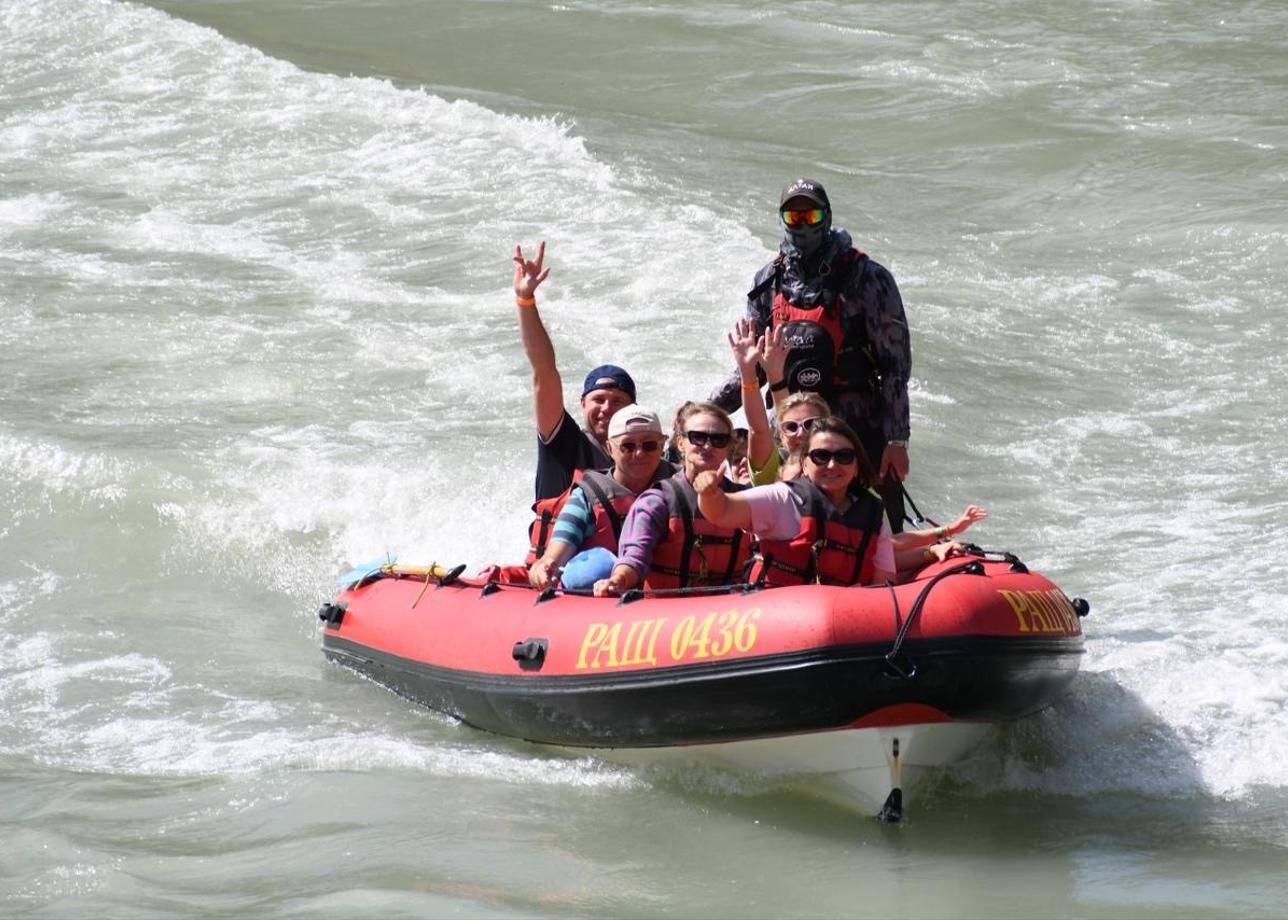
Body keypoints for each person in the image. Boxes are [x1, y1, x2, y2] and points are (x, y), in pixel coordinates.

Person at [711, 178, 912, 531]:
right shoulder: (768, 281)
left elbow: (895, 366)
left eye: (811, 214)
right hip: (793, 429)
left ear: (828, 217)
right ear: (782, 219)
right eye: (794, 216)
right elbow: (753, 365)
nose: (802, 224)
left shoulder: (867, 278)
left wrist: (896, 439)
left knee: (878, 523)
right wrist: (708, 414)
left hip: (858, 429)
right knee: (796, 522)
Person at [514, 242, 670, 563]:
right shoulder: (564, 444)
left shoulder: (648, 453)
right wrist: (525, 300)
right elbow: (544, 371)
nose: (607, 407)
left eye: (618, 401)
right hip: (563, 573)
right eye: (598, 400)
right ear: (582, 404)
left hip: (633, 577)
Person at [694, 416, 896, 587]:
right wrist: (710, 494)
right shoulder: (782, 498)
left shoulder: (872, 515)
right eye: (821, 456)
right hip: (774, 617)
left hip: (844, 620)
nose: (832, 465)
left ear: (856, 466)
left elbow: (884, 583)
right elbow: (723, 511)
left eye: (844, 456)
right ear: (805, 465)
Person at [593, 402, 749, 596]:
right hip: (671, 617)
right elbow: (635, 556)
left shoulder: (746, 500)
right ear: (681, 443)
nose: (708, 445)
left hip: (733, 616)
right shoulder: (657, 501)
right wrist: (619, 579)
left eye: (719, 439)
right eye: (698, 437)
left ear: (728, 447)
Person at [528, 406, 672, 590]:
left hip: (677, 599)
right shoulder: (587, 496)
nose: (639, 453)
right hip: (605, 596)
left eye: (649, 445)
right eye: (628, 446)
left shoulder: (683, 487)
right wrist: (543, 571)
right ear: (610, 448)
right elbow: (553, 556)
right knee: (596, 566)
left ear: (662, 445)